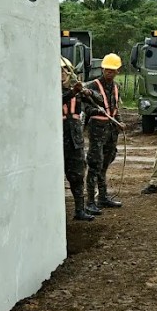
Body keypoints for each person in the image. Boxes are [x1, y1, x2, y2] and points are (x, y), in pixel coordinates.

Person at [85, 53, 124, 213]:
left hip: (111, 131)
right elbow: (85, 109)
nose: (109, 72)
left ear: (117, 71)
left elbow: (115, 108)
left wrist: (119, 121)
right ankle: (90, 201)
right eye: (107, 69)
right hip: (97, 130)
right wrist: (97, 110)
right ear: (102, 69)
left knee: (105, 164)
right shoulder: (92, 86)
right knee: (95, 164)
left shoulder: (116, 87)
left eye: (112, 70)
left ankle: (102, 197)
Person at [62, 58, 96, 221]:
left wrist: (89, 93)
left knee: (77, 175)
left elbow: (97, 100)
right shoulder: (49, 90)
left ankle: (79, 210)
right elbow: (59, 99)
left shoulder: (77, 91)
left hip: (75, 140)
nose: (62, 74)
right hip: (56, 141)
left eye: (64, 71)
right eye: (59, 71)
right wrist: (73, 92)